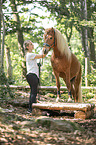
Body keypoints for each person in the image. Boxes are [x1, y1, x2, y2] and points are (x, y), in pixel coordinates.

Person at [23, 40, 47, 113]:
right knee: (34, 92)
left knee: (33, 92)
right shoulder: (30, 55)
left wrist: (37, 65)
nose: (32, 45)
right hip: (32, 75)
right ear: (27, 47)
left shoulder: (29, 55)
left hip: (31, 75)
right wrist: (45, 48)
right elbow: (43, 56)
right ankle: (32, 109)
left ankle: (31, 108)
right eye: (31, 44)